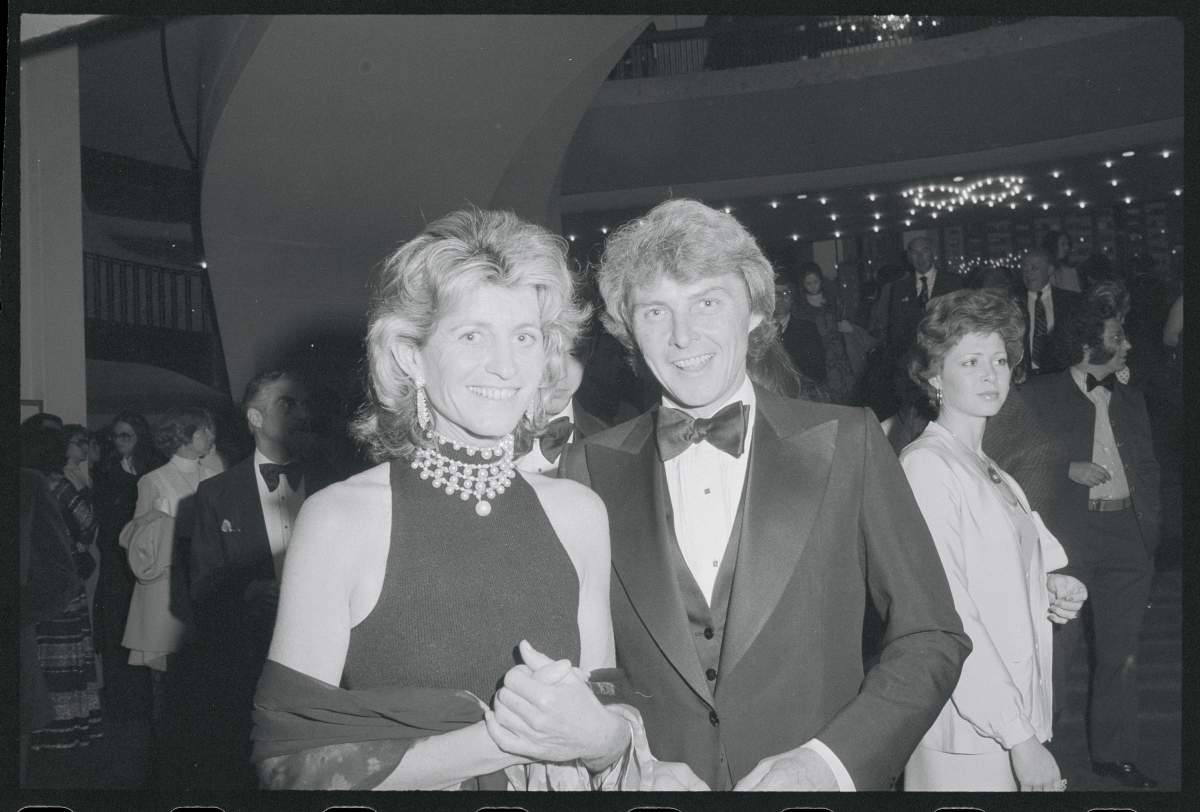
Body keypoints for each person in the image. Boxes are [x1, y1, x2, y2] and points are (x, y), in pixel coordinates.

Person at [252, 208, 701, 791]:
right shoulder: (340, 519)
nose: (505, 365)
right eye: (471, 335)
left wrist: (608, 739)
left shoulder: (578, 513)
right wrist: (502, 739)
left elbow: (602, 708)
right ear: (412, 356)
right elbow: (288, 766)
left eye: (524, 336)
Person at [565, 198, 970, 790]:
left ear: (755, 310)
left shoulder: (848, 441)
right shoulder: (588, 467)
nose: (682, 336)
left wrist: (831, 764)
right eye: (655, 311)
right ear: (629, 329)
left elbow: (932, 634)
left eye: (707, 301)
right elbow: (588, 662)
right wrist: (628, 755)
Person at [899, 289, 1087, 791]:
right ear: (935, 375)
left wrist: (1050, 586)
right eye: (971, 361)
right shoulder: (928, 467)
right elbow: (950, 615)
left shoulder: (989, 468)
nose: (991, 374)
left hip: (1007, 717)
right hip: (967, 730)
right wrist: (1019, 739)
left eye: (1000, 359)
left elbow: (997, 574)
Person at [984, 281, 1161, 788]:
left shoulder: (1132, 396)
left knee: (1120, 653)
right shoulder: (1038, 396)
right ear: (1089, 345)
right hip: (1067, 540)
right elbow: (999, 458)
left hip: (1127, 536)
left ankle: (1115, 753)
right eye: (1118, 336)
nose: (1126, 344)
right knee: (1054, 656)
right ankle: (1043, 749)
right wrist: (1067, 465)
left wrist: (1152, 529)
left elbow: (1147, 463)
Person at [180, 370, 333, 787]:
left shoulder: (336, 484)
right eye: (288, 405)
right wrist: (246, 592)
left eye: (304, 404)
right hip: (250, 660)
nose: (303, 414)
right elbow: (202, 586)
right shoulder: (216, 494)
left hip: (331, 660)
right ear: (254, 418)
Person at [119, 406, 219, 741]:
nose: (211, 435)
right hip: (166, 585)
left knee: (205, 675)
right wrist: (161, 523)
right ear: (185, 436)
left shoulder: (216, 474)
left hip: (206, 585)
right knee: (167, 678)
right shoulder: (153, 480)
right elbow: (131, 537)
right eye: (205, 430)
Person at [19, 429, 104, 775]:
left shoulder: (36, 482)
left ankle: (40, 734)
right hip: (59, 585)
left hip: (34, 586)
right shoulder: (56, 485)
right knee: (61, 661)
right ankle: (62, 731)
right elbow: (88, 525)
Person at [92, 411, 163, 720]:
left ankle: (148, 699)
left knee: (145, 627)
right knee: (117, 625)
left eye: (126, 435)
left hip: (148, 559)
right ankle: (122, 702)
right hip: (115, 558)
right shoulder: (106, 470)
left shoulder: (153, 470)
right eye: (116, 436)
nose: (119, 442)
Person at [516, 329, 609, 477]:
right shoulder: (476, 432)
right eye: (547, 351)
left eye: (574, 353)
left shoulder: (609, 444)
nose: (561, 374)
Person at [793, 262, 857, 403]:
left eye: (815, 281)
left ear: (821, 281)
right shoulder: (800, 308)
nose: (813, 285)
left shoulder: (833, 300)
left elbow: (845, 319)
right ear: (802, 284)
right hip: (819, 354)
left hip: (840, 353)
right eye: (808, 283)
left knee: (847, 393)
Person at [1018, 247, 1082, 376]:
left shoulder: (1072, 302)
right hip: (1025, 378)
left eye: (1034, 268)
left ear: (1050, 270)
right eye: (1024, 268)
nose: (1028, 273)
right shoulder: (1014, 302)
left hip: (1061, 376)